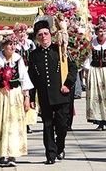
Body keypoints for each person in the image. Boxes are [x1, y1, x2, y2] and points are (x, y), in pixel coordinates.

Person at [28, 16, 77, 165]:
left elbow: (73, 68)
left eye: (46, 33)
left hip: (62, 94)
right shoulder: (34, 55)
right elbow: (31, 78)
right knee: (47, 125)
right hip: (45, 96)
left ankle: (59, 145)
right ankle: (50, 154)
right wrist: (31, 97)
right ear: (37, 37)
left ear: (50, 34)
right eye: (40, 35)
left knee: (62, 125)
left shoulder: (59, 49)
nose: (43, 37)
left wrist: (68, 84)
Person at [0, 34, 33, 167]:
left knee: (13, 123)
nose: (13, 47)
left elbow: (24, 79)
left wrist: (26, 98)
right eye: (10, 44)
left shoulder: (18, 59)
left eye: (14, 44)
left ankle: (12, 154)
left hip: (14, 94)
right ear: (4, 45)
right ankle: (0, 153)